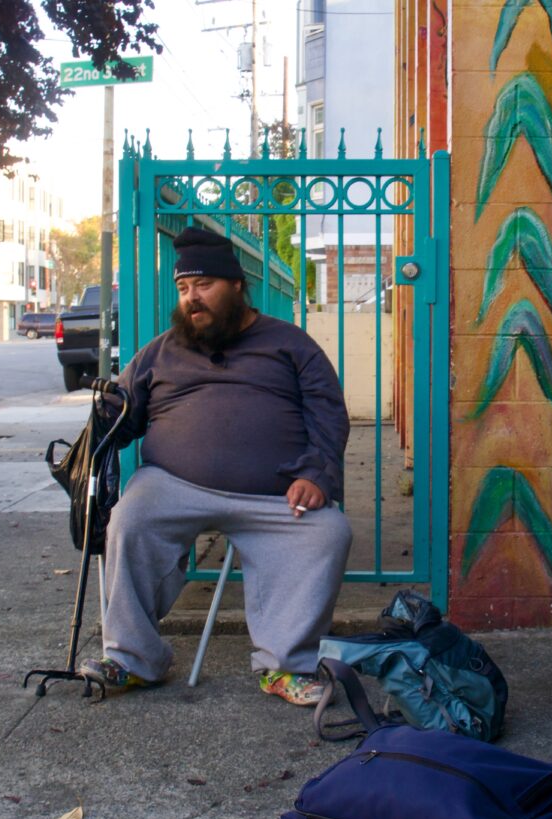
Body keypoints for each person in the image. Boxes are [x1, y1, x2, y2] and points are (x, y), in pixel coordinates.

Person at [80, 227, 352, 706]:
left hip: (274, 493)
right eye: (184, 289)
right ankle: (133, 659)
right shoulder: (161, 351)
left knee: (327, 531)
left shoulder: (291, 344)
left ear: (236, 285)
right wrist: (105, 414)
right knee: (130, 518)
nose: (192, 299)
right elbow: (122, 417)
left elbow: (328, 416)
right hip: (171, 485)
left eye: (204, 285)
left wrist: (316, 474)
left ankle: (285, 666)